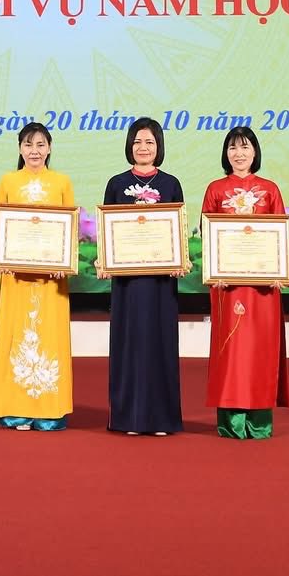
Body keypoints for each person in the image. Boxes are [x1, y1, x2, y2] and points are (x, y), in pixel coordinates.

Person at [200, 126, 289, 439]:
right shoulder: (215, 189)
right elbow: (207, 234)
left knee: (260, 349)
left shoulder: (269, 189)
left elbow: (280, 236)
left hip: (263, 287)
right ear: (225, 153)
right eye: (232, 148)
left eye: (245, 147)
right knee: (231, 352)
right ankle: (231, 421)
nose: (238, 154)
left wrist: (280, 271)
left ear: (255, 152)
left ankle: (259, 421)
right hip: (226, 285)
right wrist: (215, 270)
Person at [98, 117, 184, 436]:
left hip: (161, 281)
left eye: (149, 142)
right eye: (137, 142)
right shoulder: (117, 183)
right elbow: (107, 231)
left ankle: (162, 419)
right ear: (129, 146)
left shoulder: (171, 184)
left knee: (160, 344)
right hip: (127, 282)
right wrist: (105, 260)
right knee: (129, 344)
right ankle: (128, 418)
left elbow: (178, 228)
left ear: (159, 146)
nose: (143, 147)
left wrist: (179, 259)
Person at [0, 122, 75, 431]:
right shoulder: (8, 181)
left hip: (51, 279)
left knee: (49, 336)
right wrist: (2, 256)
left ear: (49, 148)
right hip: (15, 278)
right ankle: (16, 410)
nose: (34, 150)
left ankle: (49, 411)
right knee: (17, 336)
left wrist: (64, 261)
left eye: (40, 144)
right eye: (28, 144)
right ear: (19, 148)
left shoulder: (62, 182)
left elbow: (70, 226)